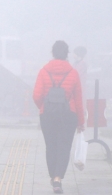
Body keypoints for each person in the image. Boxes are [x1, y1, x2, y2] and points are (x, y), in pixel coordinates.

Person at [33, 40, 85, 194]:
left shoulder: (44, 71)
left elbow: (36, 95)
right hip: (68, 115)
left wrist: (44, 107)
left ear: (53, 53)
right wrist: (81, 122)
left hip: (47, 115)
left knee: (51, 146)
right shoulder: (73, 73)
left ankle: (53, 176)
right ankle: (58, 179)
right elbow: (79, 99)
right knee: (64, 147)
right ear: (66, 54)